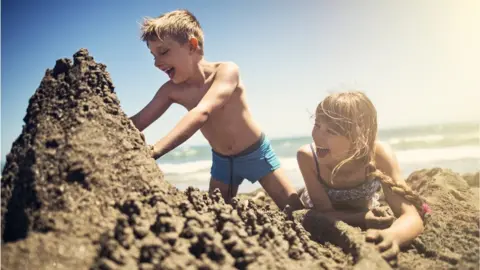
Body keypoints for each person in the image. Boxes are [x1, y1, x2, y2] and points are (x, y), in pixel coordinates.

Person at [129, 9, 302, 210]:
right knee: (216, 210)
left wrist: (155, 150)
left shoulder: (226, 71)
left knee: (294, 208)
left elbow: (202, 111)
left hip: (256, 153)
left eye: (163, 51)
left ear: (192, 45)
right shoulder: (171, 90)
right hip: (222, 162)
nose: (156, 63)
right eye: (153, 55)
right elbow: (140, 120)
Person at [296, 91, 428, 261]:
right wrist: (362, 217)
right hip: (321, 205)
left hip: (362, 209)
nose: (317, 135)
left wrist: (393, 235)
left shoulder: (379, 154)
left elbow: (410, 215)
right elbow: (324, 213)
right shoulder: (308, 158)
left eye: (330, 131)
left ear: (358, 136)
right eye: (317, 125)